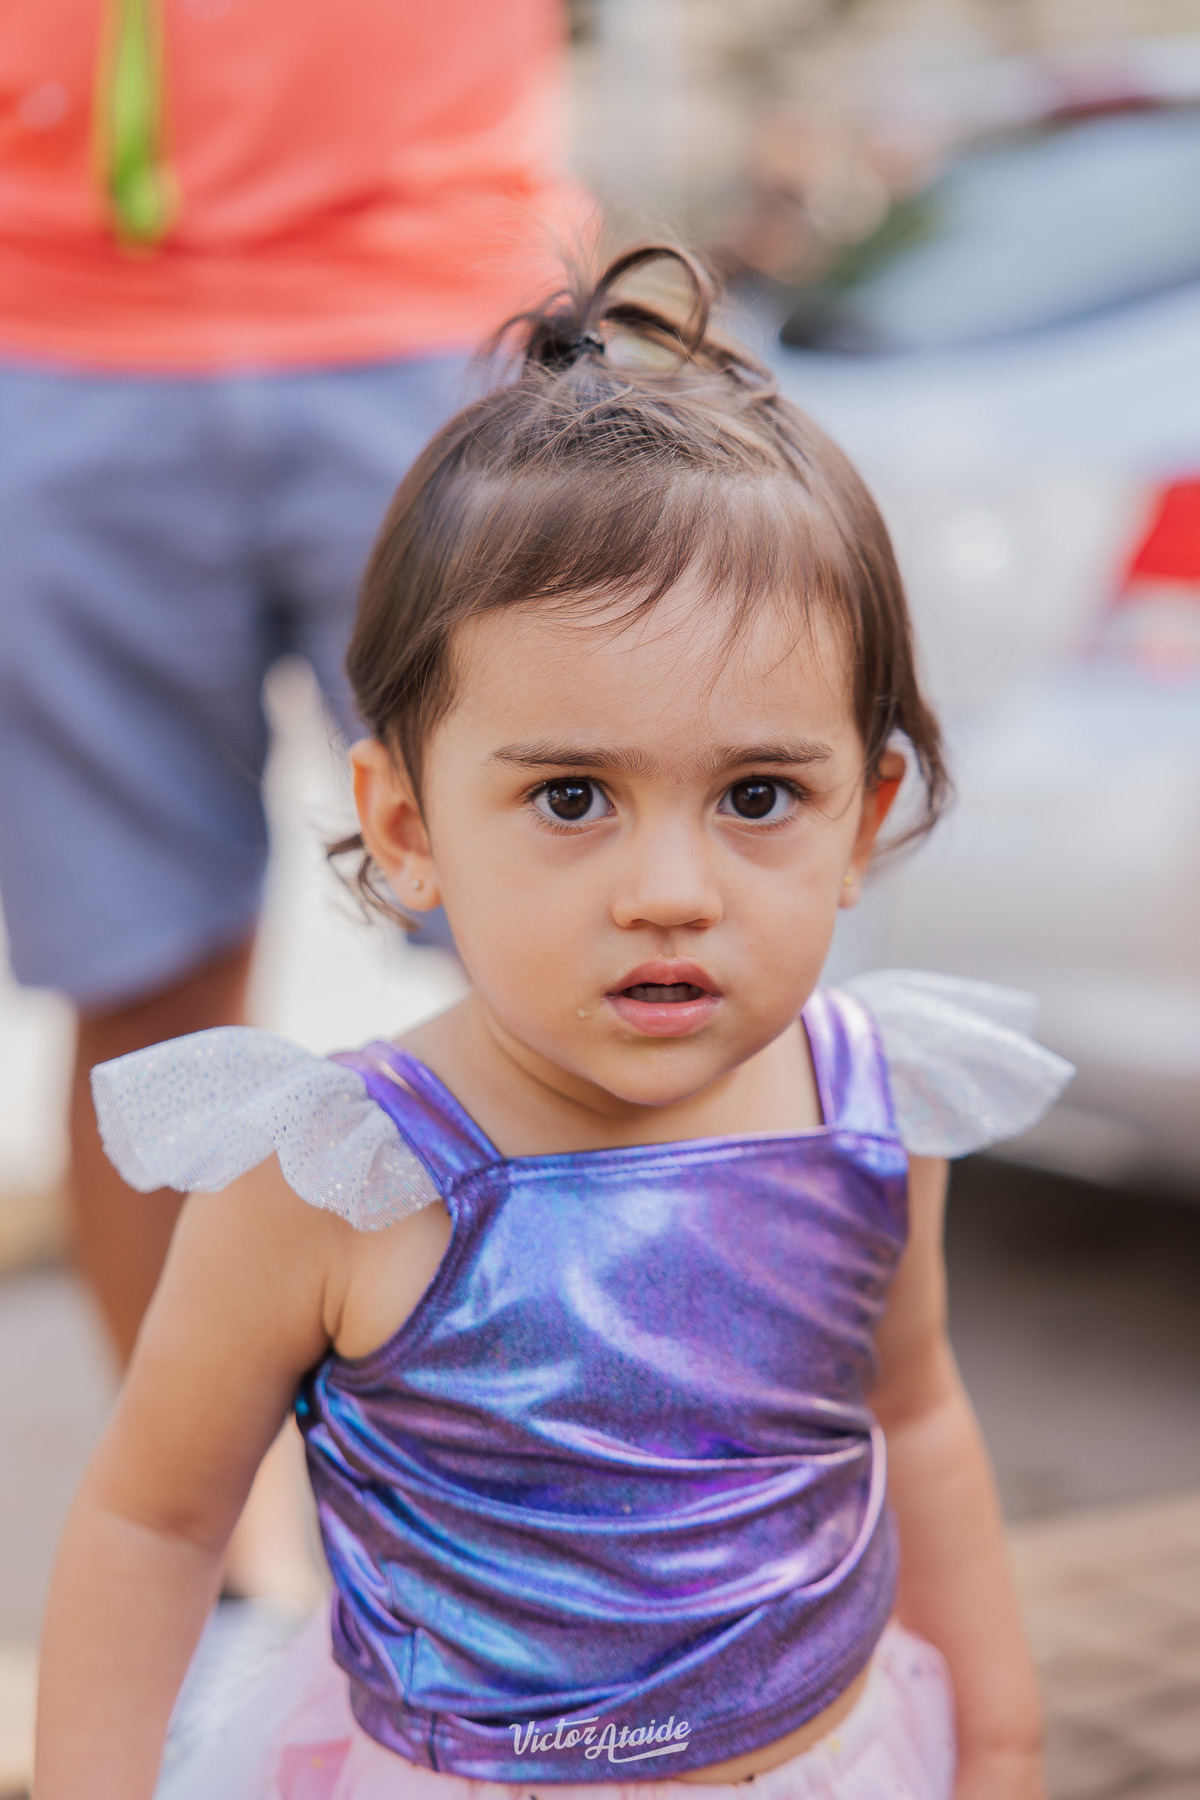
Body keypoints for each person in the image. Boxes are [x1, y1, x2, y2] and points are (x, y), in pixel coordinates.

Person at [34, 248, 1072, 1800]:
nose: (671, 893)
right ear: (407, 826)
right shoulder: (339, 1176)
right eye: (573, 798)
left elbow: (913, 1416)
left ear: (865, 819)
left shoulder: (872, 1110)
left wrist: (998, 1742)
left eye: (758, 797)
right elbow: (156, 1519)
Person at [0, 0, 585, 1371]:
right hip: (55, 319)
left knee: (571, 945)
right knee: (141, 992)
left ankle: (604, 1468)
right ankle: (207, 1503)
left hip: (443, 290)